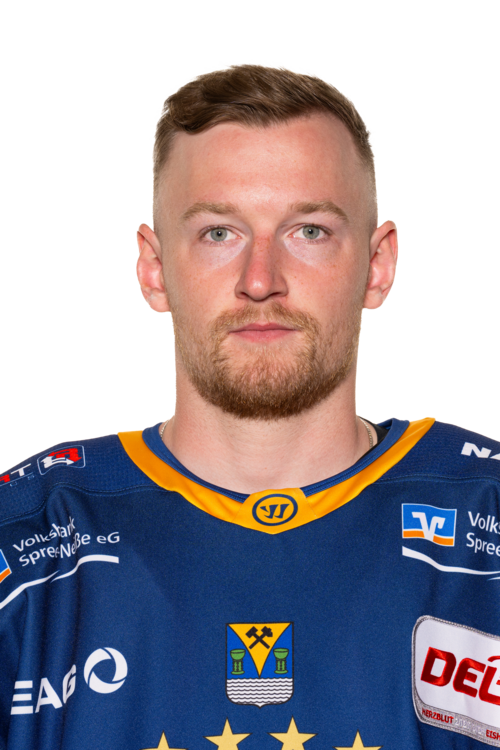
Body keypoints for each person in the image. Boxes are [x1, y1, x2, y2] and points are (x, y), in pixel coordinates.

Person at [0, 62, 498, 750]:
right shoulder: (28, 537)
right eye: (219, 232)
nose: (260, 281)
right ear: (153, 268)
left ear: (379, 264)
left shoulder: (488, 521)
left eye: (309, 231)